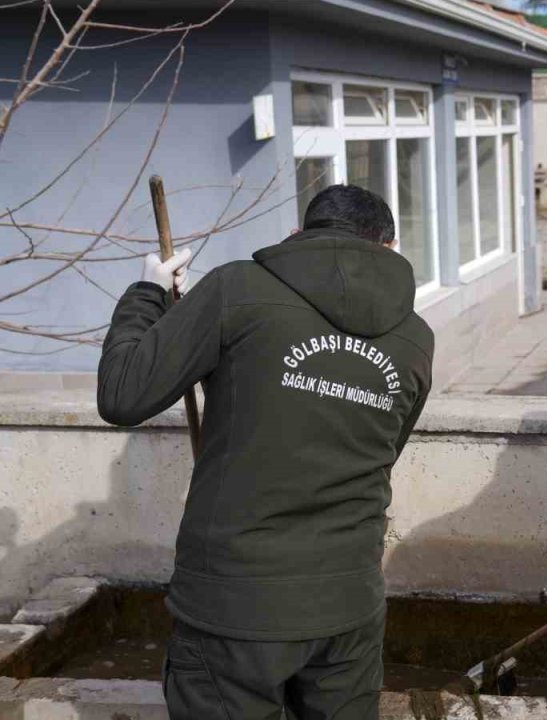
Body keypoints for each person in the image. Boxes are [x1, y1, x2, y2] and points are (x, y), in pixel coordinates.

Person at [98, 185, 434, 720]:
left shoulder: (236, 290)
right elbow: (380, 454)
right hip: (348, 607)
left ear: (298, 236)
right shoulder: (415, 339)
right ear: (391, 250)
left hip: (235, 611)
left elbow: (122, 394)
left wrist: (148, 292)